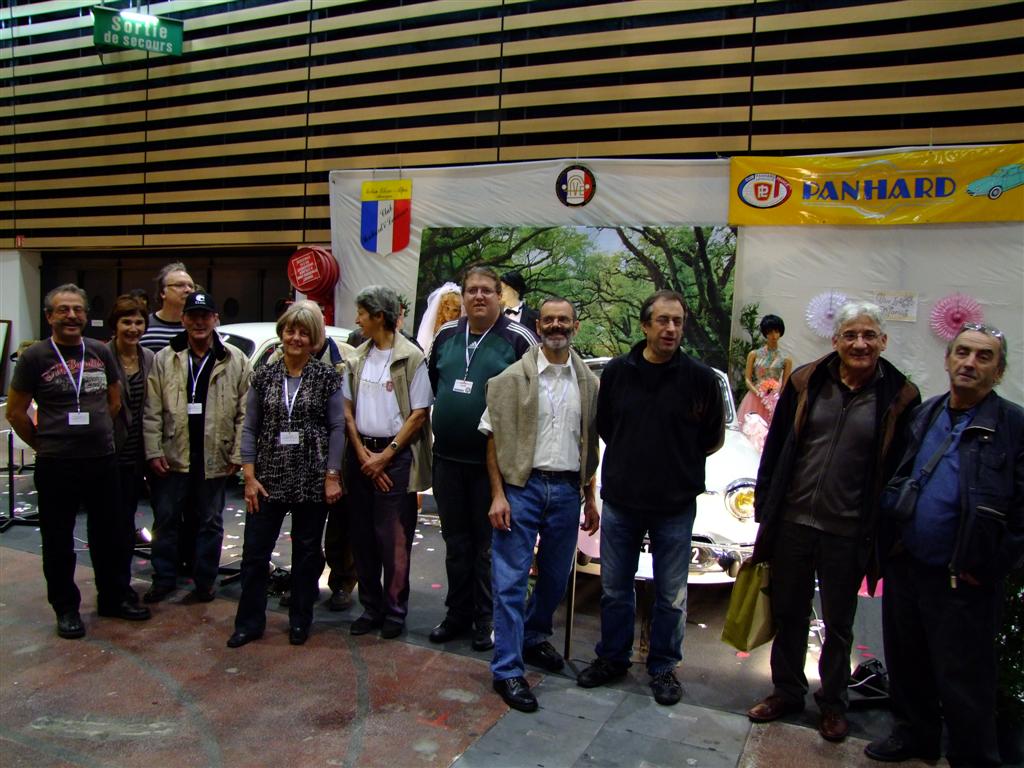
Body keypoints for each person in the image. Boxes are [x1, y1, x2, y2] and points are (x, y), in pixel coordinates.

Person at [746, 301, 920, 742]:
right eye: (850, 335)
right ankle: (787, 692)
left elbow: (900, 468)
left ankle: (833, 704)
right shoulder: (807, 380)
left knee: (839, 623)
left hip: (849, 530)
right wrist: (766, 504)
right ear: (835, 339)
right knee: (788, 612)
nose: (860, 343)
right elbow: (777, 446)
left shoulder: (900, 396)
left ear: (883, 341)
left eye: (869, 335)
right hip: (794, 522)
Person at [865, 323, 1023, 766]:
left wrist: (990, 566)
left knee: (964, 681)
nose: (970, 363)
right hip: (909, 565)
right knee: (907, 663)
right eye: (963, 352)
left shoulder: (1013, 426)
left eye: (984, 356)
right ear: (948, 359)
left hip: (964, 578)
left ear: (999, 371)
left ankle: (972, 758)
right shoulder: (927, 413)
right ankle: (915, 736)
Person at [577, 289, 724, 706]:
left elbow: (712, 438)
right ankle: (612, 658)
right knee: (614, 588)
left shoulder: (700, 379)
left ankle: (663, 667)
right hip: (623, 498)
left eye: (677, 321)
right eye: (663, 320)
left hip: (675, 504)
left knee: (671, 594)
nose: (671, 328)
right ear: (645, 326)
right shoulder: (618, 373)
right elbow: (607, 426)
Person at [6, 284, 150, 639]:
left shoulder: (99, 351)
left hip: (102, 460)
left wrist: (94, 433)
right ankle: (66, 608)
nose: (71, 316)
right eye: (63, 310)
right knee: (58, 539)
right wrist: (44, 442)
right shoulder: (35, 357)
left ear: (86, 315)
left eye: (77, 310)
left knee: (109, 536)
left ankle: (113, 598)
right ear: (49, 317)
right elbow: (15, 412)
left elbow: (114, 401)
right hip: (57, 464)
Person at [480, 296, 600, 712]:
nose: (556, 326)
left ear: (575, 326)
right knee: (511, 581)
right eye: (548, 320)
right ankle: (507, 670)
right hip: (522, 488)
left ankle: (533, 637)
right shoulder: (511, 379)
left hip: (567, 491)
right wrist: (498, 494)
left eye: (563, 320)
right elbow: (492, 437)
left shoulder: (588, 383)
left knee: (554, 579)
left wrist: (590, 496)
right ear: (538, 326)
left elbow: (589, 443)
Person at [427, 266, 536, 651]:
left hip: (493, 468)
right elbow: (435, 383)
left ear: (499, 296)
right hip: (447, 461)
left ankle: (485, 619)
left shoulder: (519, 339)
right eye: (471, 290)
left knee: (488, 548)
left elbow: (533, 398)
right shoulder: (445, 335)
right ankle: (456, 613)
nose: (478, 296)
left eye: (486, 290)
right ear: (463, 296)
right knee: (456, 544)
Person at [227, 301, 344, 648]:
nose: (296, 338)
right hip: (267, 479)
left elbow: (337, 428)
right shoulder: (263, 376)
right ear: (282, 333)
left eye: (304, 332)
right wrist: (249, 477)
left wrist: (332, 475)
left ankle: (300, 621)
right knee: (255, 554)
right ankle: (249, 623)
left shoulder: (326, 377)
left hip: (311, 479)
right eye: (291, 330)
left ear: (314, 338)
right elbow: (250, 428)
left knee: (306, 555)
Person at [143, 290, 252, 604]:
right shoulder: (165, 358)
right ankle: (163, 579)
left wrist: (237, 453)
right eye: (193, 316)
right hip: (173, 454)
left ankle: (204, 582)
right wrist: (153, 450)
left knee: (210, 522)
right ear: (183, 319)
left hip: (214, 455)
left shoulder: (234, 359)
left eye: (205, 316)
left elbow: (245, 411)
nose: (199, 322)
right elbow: (152, 409)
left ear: (215, 318)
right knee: (166, 520)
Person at [343, 286, 433, 639]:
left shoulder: (411, 357)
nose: (357, 320)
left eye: (362, 314)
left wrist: (385, 456)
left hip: (395, 460)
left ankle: (395, 611)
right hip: (362, 457)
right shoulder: (356, 357)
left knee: (394, 541)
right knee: (362, 537)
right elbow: (346, 411)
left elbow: (418, 414)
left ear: (379, 316)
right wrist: (363, 454)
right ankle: (371, 607)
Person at [107, 295, 156, 604]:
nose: (133, 328)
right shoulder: (102, 356)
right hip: (110, 454)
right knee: (114, 524)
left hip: (140, 454)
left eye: (139, 322)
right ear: (115, 325)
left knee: (128, 521)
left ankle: (121, 584)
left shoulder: (149, 357)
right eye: (127, 322)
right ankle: (115, 587)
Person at [738, 314, 792, 428]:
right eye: (770, 332)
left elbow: (785, 384)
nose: (774, 335)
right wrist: (758, 393)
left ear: (781, 332)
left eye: (776, 331)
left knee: (771, 430)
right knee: (751, 429)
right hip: (755, 398)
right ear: (765, 333)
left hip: (774, 400)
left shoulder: (786, 359)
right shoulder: (754, 354)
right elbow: (747, 379)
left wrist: (777, 397)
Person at [139, 262, 195, 352]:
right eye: (179, 285)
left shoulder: (198, 327)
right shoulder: (143, 325)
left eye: (191, 286)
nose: (188, 290)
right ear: (163, 293)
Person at [416, 282, 462, 353]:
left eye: (455, 310)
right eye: (447, 308)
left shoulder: (462, 329)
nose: (450, 314)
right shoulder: (432, 327)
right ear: (441, 308)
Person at [499, 271, 540, 337]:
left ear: (517, 290)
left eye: (504, 289)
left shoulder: (535, 317)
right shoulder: (495, 316)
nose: (500, 293)